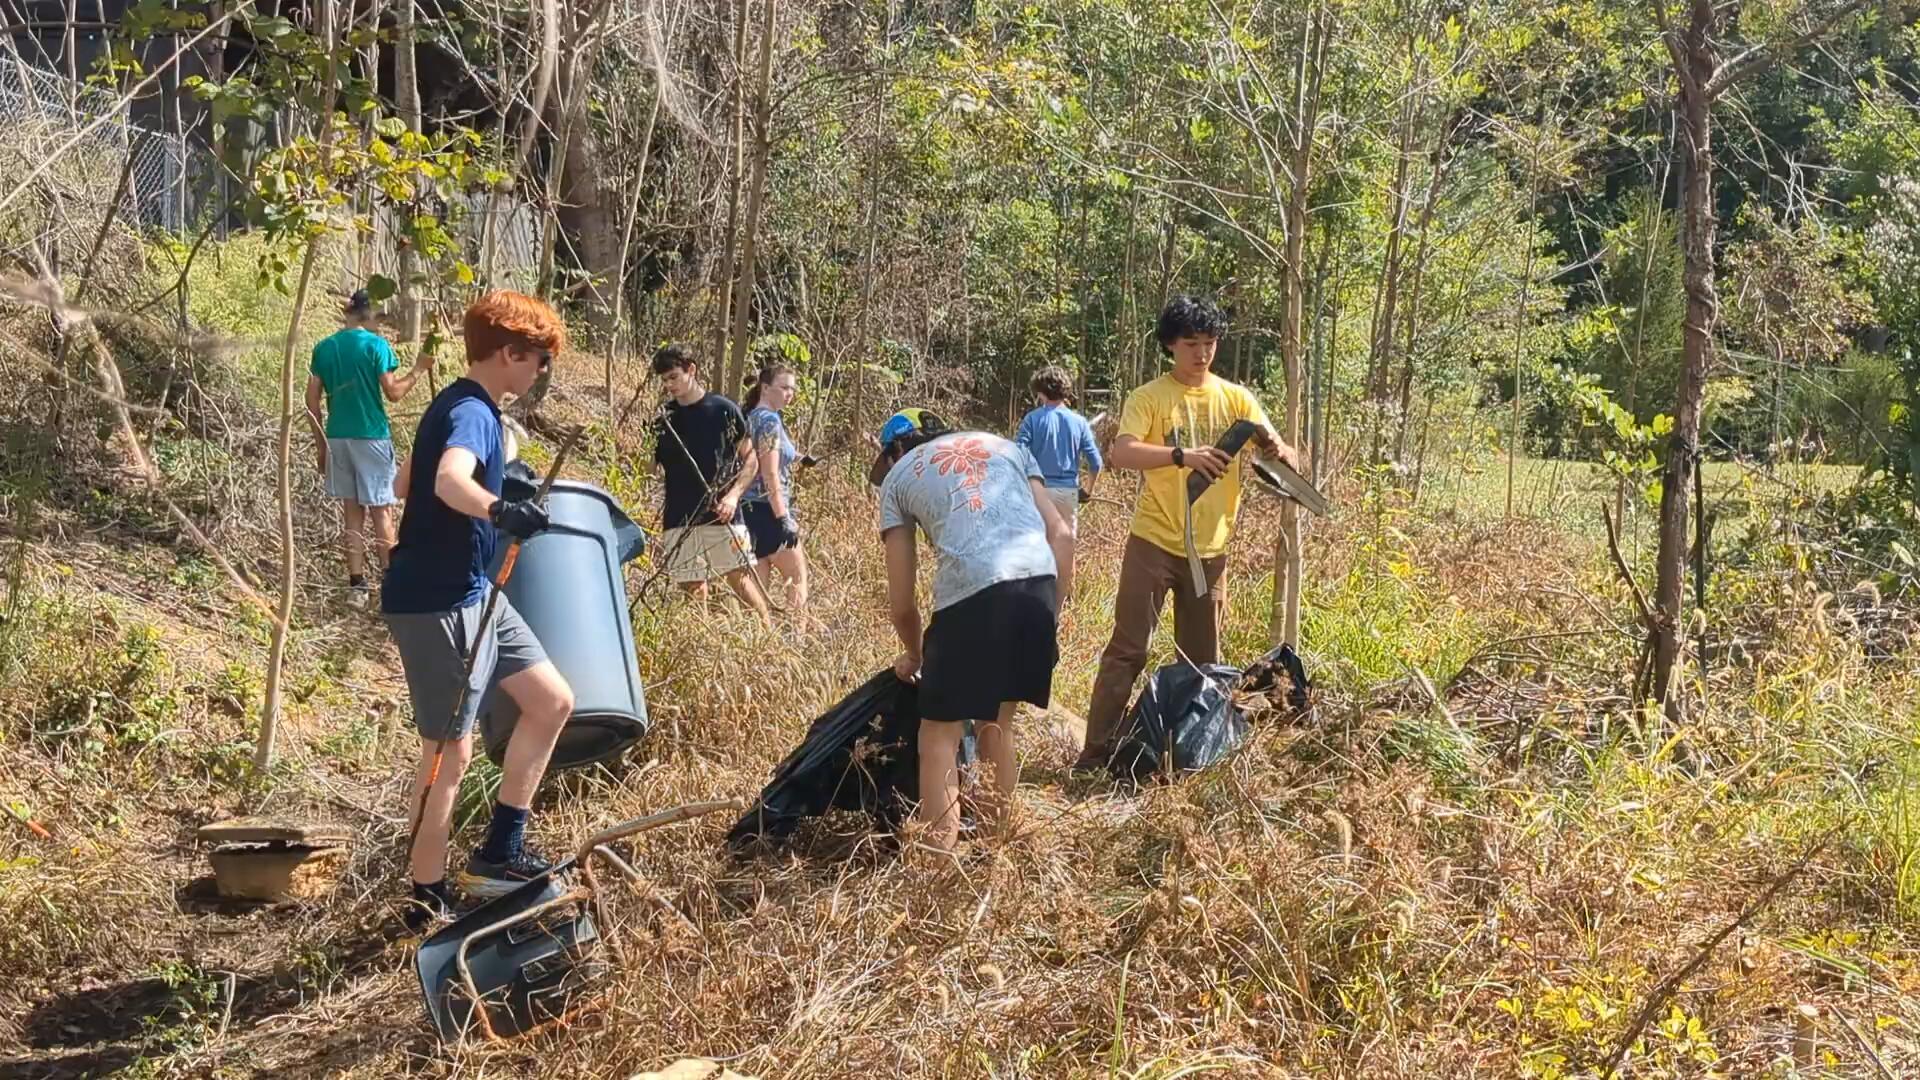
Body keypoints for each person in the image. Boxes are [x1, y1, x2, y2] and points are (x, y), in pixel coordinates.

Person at [381, 291, 575, 928]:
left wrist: (497, 486)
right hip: (438, 603)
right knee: (449, 753)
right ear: (509, 353)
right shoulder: (472, 411)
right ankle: (425, 897)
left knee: (551, 701)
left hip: (474, 591)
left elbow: (406, 483)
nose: (540, 373)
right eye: (538, 360)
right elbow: (442, 482)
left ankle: (499, 851)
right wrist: (496, 506)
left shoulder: (459, 408)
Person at [1072, 295, 1303, 773]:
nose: (1201, 354)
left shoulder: (1237, 398)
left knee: (1203, 661)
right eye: (1191, 344)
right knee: (1128, 649)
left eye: (1210, 343)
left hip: (1211, 550)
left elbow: (1287, 458)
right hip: (1154, 542)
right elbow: (1123, 453)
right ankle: (1094, 756)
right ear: (1170, 347)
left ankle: (1193, 759)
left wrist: (1278, 449)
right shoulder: (1150, 397)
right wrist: (1183, 456)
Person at [871, 408, 1074, 851]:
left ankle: (936, 868)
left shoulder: (899, 477)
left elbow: (902, 602)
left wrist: (915, 654)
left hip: (971, 595)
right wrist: (1051, 613)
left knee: (939, 732)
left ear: (895, 451)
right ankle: (997, 851)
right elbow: (1062, 534)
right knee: (997, 722)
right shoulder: (1011, 449)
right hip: (1038, 584)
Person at [304, 288, 433, 607]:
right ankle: (393, 586)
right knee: (381, 512)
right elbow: (393, 393)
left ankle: (357, 587)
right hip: (371, 437)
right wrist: (419, 368)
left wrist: (321, 446)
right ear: (370, 315)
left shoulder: (324, 348)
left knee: (352, 513)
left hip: (337, 437)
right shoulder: (376, 345)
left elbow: (311, 401)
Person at [651, 344, 772, 624]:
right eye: (664, 380)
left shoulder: (723, 410)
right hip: (679, 516)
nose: (669, 385)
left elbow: (751, 459)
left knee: (739, 580)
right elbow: (651, 468)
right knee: (693, 590)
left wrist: (733, 497)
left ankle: (768, 639)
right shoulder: (664, 419)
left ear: (691, 370)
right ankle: (703, 646)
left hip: (721, 513)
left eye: (673, 377)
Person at [1014, 364, 1102, 599]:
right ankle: (1061, 603)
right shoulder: (1079, 422)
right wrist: (1088, 490)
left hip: (1038, 491)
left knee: (1036, 546)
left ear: (1041, 393)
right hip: (1067, 492)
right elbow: (1096, 462)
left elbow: (1018, 451)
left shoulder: (1033, 419)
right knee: (1065, 547)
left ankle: (1033, 597)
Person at [737, 362, 811, 614]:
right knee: (797, 579)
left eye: (792, 389)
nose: (789, 394)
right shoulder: (769, 421)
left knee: (759, 586)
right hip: (769, 510)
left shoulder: (751, 416)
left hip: (747, 510)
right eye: (784, 388)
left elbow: (769, 454)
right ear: (765, 388)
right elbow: (769, 472)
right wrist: (784, 518)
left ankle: (761, 643)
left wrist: (799, 457)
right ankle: (796, 642)